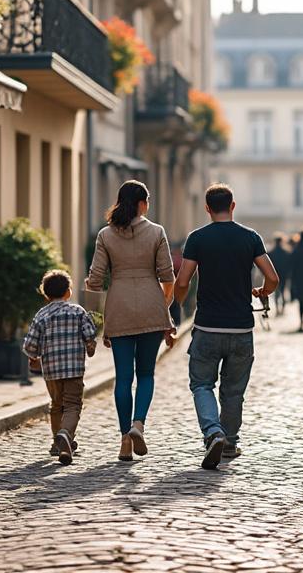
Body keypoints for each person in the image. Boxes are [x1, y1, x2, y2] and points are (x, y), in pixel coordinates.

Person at [174, 184, 280, 469]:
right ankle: (230, 441)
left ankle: (213, 432)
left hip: (207, 327)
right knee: (233, 391)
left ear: (207, 208)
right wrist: (263, 291)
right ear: (233, 206)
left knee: (201, 384)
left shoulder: (197, 238)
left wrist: (178, 304)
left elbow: (183, 281)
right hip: (241, 329)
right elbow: (272, 277)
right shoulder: (250, 237)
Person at [85, 180, 178, 462]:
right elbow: (168, 276)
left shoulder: (105, 235)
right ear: (142, 203)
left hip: (119, 307)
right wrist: (163, 308)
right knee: (146, 374)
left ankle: (125, 439)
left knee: (123, 378)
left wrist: (95, 317)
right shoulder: (157, 232)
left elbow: (95, 280)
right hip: (151, 305)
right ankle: (139, 424)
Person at [22, 270, 97, 466]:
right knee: (72, 405)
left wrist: (33, 357)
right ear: (68, 292)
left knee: (56, 405)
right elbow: (90, 334)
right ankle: (65, 434)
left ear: (46, 294)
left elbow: (30, 345)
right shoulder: (78, 312)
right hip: (74, 369)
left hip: (51, 371)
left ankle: (59, 444)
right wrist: (90, 347)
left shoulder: (41, 315)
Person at [267, 233, 292, 316]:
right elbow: (289, 265)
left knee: (276, 293)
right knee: (283, 292)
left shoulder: (271, 253)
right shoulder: (286, 252)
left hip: (274, 275)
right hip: (284, 275)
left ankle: (277, 309)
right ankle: (283, 309)